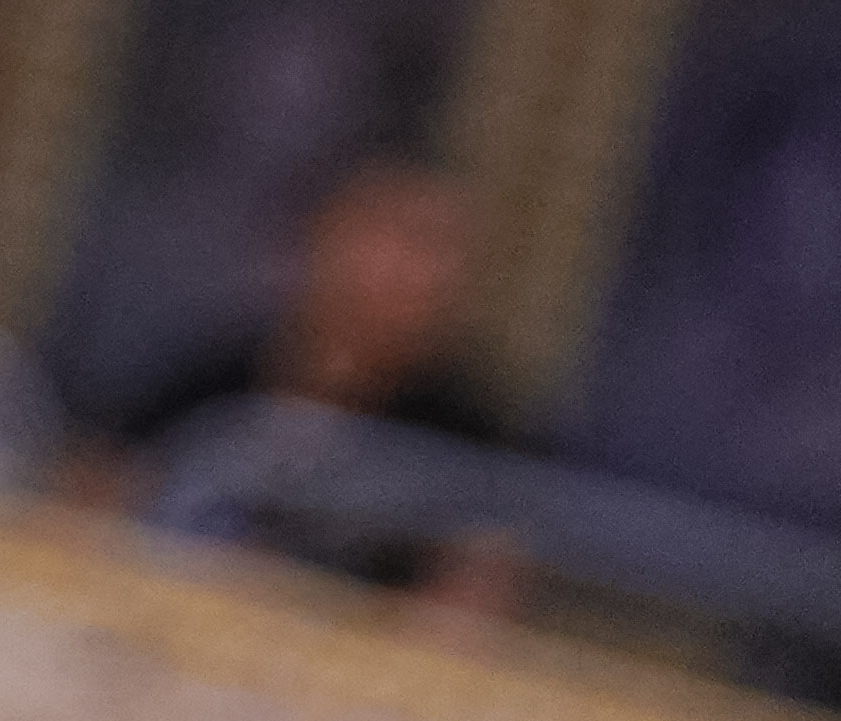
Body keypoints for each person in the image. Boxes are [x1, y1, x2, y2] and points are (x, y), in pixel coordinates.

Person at [105, 158, 528, 616]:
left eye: (433, 249)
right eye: (383, 235)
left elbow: (471, 601)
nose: (402, 270)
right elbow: (99, 504)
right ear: (321, 239)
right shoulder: (211, 381)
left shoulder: (471, 441)